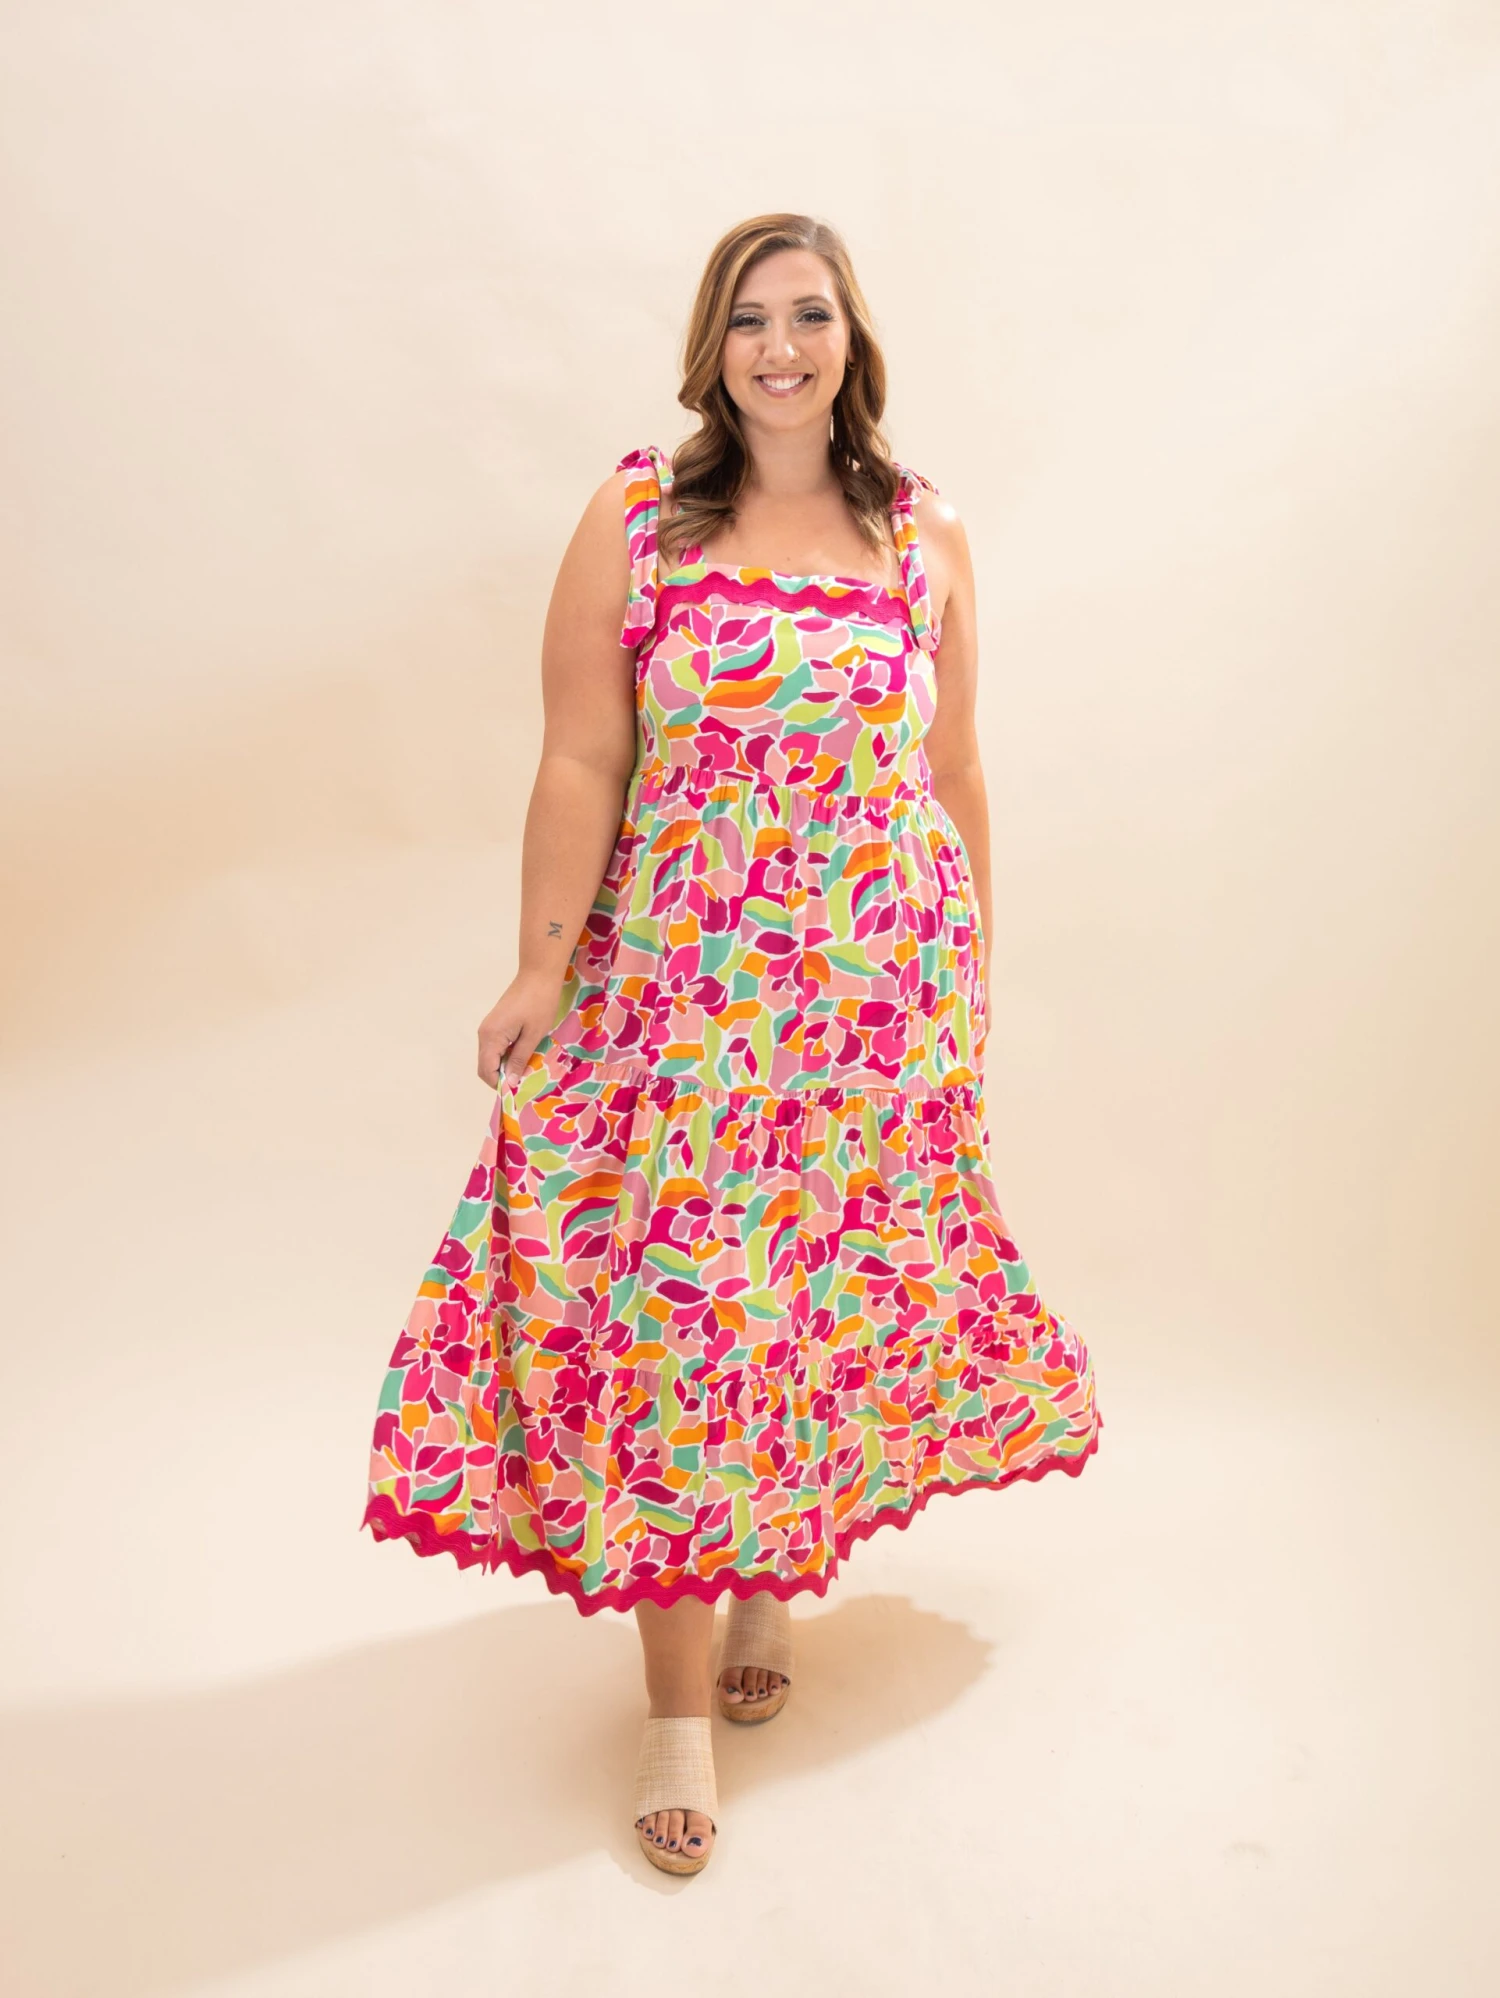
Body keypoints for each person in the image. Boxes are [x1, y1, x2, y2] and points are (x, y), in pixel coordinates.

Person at [362, 211, 1102, 1877]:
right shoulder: (639, 517)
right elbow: (580, 758)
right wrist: (541, 965)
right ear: (714, 346)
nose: (782, 347)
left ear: (853, 340)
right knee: (686, 1325)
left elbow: (954, 770)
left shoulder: (922, 530)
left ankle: (773, 1572)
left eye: (810, 315)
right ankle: (675, 1712)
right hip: (685, 1004)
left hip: (871, 1006)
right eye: (752, 319)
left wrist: (971, 975)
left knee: (813, 1298)